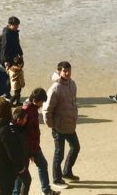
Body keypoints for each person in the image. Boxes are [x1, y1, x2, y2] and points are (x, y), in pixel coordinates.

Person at [44, 61, 80, 190]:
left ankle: (67, 172)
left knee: (75, 147)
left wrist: (75, 116)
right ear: (59, 71)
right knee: (59, 154)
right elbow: (47, 109)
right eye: (65, 71)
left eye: (69, 70)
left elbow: (73, 102)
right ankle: (56, 179)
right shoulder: (55, 88)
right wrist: (51, 124)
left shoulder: (72, 84)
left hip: (70, 124)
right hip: (58, 127)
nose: (68, 73)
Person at [20, 88, 58, 195]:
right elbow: (28, 133)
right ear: (38, 100)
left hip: (32, 146)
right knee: (23, 171)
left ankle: (45, 189)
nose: (42, 105)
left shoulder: (30, 108)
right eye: (42, 102)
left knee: (25, 170)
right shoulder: (29, 111)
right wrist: (31, 152)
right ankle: (45, 190)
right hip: (30, 147)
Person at [0, 100, 30, 195]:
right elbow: (12, 153)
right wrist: (21, 168)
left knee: (2, 191)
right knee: (5, 192)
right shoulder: (4, 131)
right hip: (3, 172)